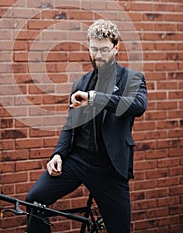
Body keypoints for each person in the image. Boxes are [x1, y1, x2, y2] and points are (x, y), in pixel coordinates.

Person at [25, 19, 147, 233]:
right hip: (78, 160)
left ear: (116, 48)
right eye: (93, 49)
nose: (98, 55)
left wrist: (95, 97)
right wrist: (58, 154)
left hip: (110, 167)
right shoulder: (80, 83)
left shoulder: (132, 79)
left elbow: (137, 106)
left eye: (104, 50)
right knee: (34, 201)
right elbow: (70, 126)